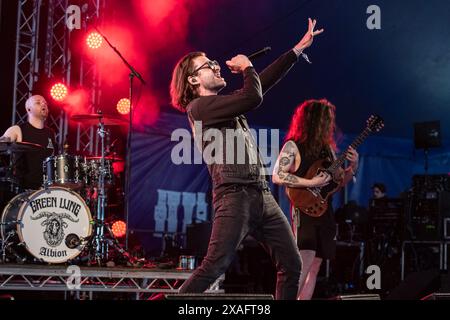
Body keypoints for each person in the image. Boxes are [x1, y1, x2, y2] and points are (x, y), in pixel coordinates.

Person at [170, 18, 324, 299]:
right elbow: (253, 97)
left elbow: (261, 86)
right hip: (234, 196)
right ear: (193, 80)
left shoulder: (220, 106)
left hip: (261, 195)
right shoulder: (199, 107)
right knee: (215, 265)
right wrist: (247, 67)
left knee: (291, 263)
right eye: (208, 65)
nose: (216, 66)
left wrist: (297, 50)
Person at [272, 99, 359, 300]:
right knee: (304, 260)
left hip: (324, 211)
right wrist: (311, 183)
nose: (331, 124)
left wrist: (352, 168)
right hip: (304, 210)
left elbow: (334, 185)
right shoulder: (292, 145)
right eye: (327, 120)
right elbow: (277, 175)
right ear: (316, 121)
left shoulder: (327, 150)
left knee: (316, 265)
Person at [0, 95, 56, 190]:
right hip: (23, 188)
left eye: (45, 103)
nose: (43, 104)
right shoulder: (17, 129)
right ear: (29, 109)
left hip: (44, 189)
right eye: (38, 102)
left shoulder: (51, 133)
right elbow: (2, 145)